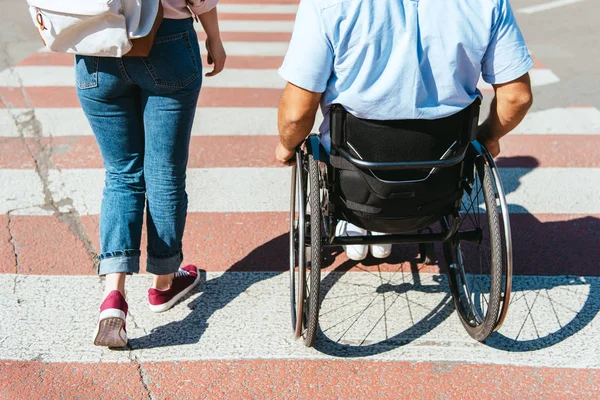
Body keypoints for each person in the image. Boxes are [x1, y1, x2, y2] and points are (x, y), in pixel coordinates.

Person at [276, 0, 533, 261]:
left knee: (333, 147)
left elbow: (297, 115)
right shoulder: (488, 4)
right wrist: (488, 136)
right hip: (440, 177)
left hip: (353, 168)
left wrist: (287, 145)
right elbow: (517, 98)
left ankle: (359, 221)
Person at [77, 0, 226, 347]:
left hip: (96, 45)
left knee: (121, 174)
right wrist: (214, 38)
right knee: (165, 174)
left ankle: (113, 296)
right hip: (167, 42)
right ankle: (164, 281)